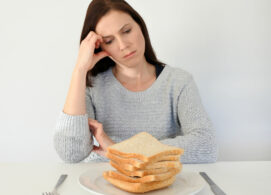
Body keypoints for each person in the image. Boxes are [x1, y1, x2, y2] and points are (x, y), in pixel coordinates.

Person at [53, 0, 218, 164]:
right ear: (100, 47)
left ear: (140, 26)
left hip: (160, 185)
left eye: (126, 31)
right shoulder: (93, 87)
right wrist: (79, 70)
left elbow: (206, 146)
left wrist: (121, 152)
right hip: (103, 183)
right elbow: (71, 153)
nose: (123, 45)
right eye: (109, 41)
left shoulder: (178, 82)